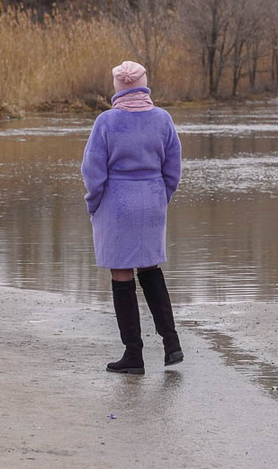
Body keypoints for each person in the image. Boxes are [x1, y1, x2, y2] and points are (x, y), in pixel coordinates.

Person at [81, 60, 183, 375]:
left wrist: (94, 203)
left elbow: (93, 171)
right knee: (150, 268)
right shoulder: (163, 119)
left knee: (122, 272)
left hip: (117, 204)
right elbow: (173, 168)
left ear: (117, 87)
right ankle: (172, 344)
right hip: (152, 201)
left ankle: (133, 355)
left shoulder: (106, 122)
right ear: (143, 84)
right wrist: (160, 198)